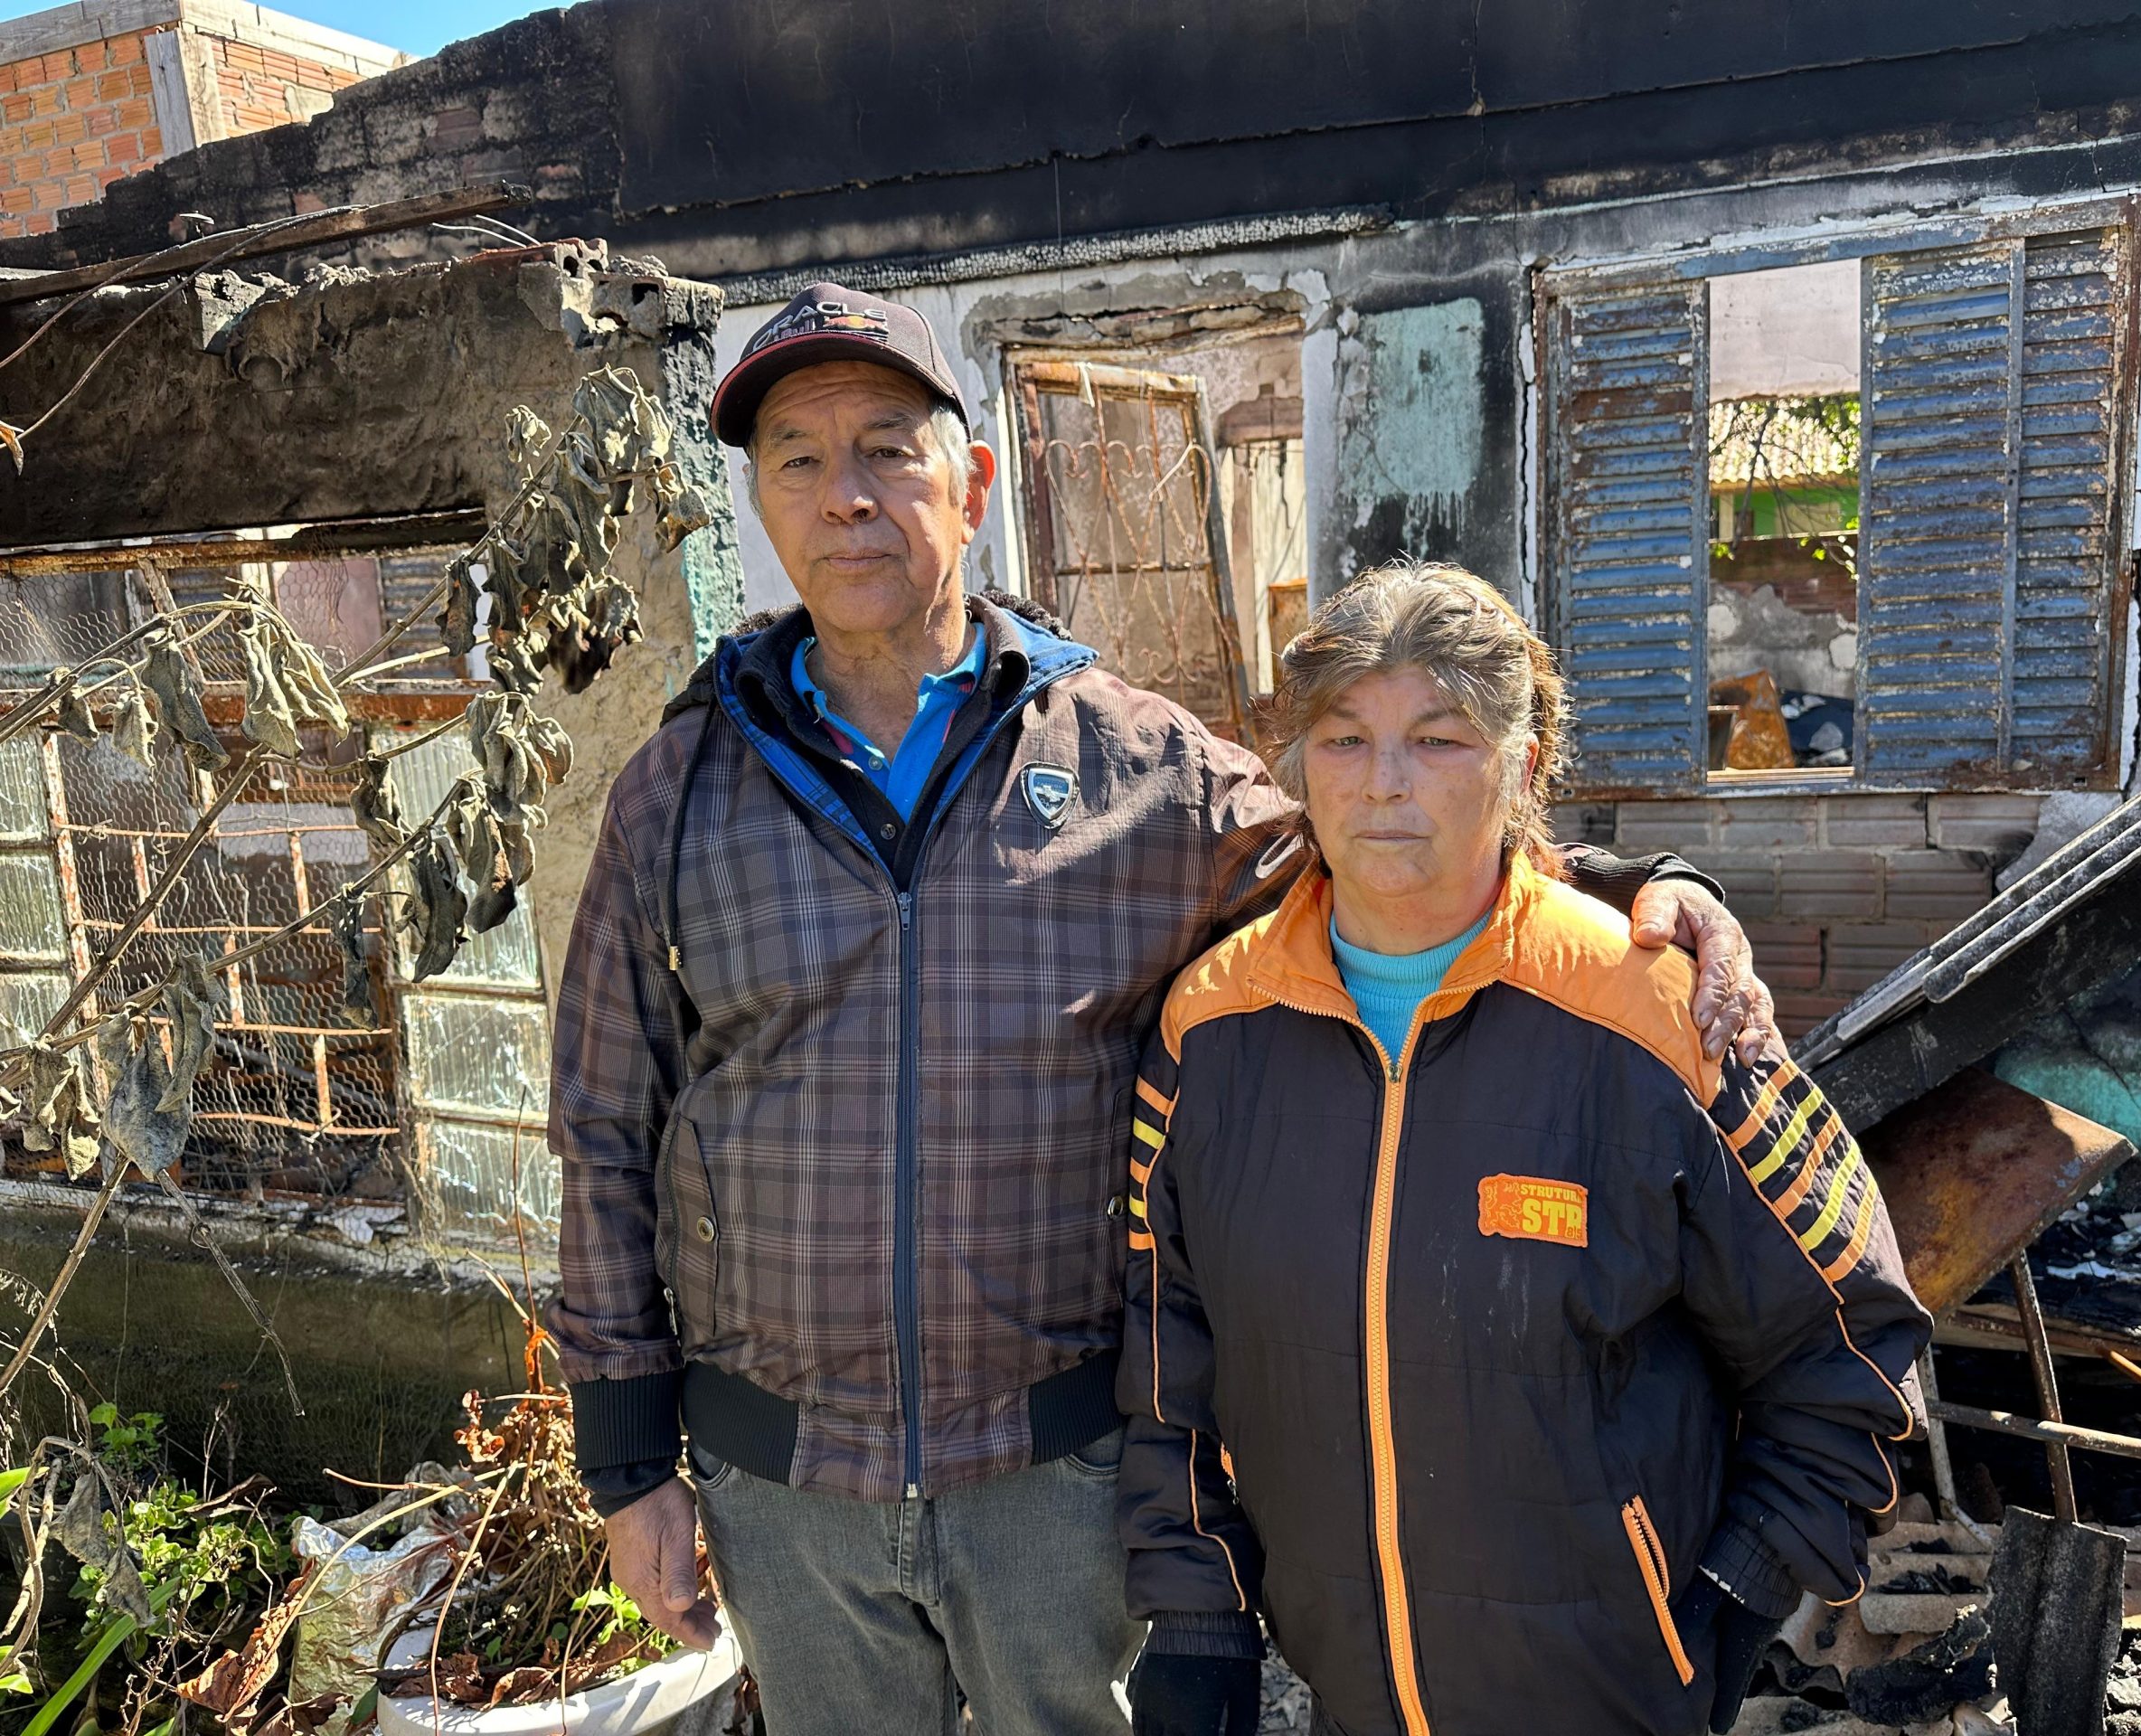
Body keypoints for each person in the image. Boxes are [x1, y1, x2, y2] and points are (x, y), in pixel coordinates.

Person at [545, 283, 1781, 1736]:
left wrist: (1628, 883)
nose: (848, 498)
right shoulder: (681, 790)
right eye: (799, 462)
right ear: (760, 501)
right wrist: (632, 1469)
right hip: (782, 1486)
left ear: (975, 482)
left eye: (889, 449)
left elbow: (1377, 847)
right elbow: (604, 1130)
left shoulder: (1134, 765)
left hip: (1056, 1476)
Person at [1118, 563, 1931, 1736]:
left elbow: (1853, 1340)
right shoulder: (1212, 1026)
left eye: (1440, 739)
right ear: (1300, 767)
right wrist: (1196, 1625)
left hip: (1612, 1697)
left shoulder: (1655, 1013)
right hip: (1353, 1696)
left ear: (1525, 762)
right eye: (1345, 739)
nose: (1386, 783)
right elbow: (1167, 1348)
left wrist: (1727, 1600)